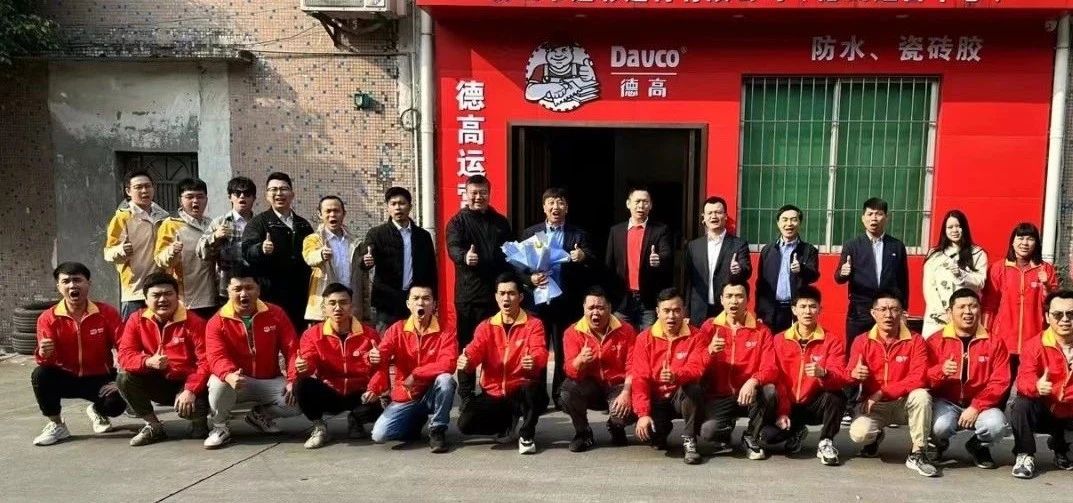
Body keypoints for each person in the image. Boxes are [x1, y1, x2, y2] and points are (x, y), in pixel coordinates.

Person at [202, 266, 301, 449]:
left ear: (258, 290)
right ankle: (220, 427)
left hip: (269, 379)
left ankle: (260, 415)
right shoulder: (216, 321)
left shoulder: (276, 313)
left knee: (298, 397)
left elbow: (292, 349)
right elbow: (216, 356)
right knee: (218, 383)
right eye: (237, 289)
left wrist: (293, 379)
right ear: (228, 291)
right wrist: (229, 374)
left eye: (249, 288)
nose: (243, 294)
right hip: (236, 381)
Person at [31, 262, 126, 446]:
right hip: (66, 377)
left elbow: (125, 347)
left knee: (116, 404)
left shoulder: (106, 313)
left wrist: (121, 380)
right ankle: (57, 425)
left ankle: (98, 410)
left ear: (88, 283)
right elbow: (45, 361)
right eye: (66, 281)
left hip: (99, 377)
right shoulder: (48, 318)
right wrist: (43, 353)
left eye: (77, 280)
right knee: (40, 375)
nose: (72, 285)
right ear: (59, 286)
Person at [518, 187, 595, 410]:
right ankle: (538, 399)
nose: (555, 207)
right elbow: (518, 266)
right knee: (537, 350)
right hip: (538, 303)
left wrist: (583, 256)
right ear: (544, 207)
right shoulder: (531, 233)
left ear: (566, 207)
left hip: (566, 301)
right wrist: (530, 279)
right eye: (551, 202)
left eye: (560, 202)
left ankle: (561, 395)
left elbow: (594, 263)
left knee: (563, 351)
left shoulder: (578, 235)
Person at [846, 291, 938, 477]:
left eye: (894, 309)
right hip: (875, 407)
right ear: (873, 313)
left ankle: (918, 452)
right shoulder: (862, 341)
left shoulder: (916, 340)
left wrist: (882, 392)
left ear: (902, 313)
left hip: (904, 403)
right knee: (859, 434)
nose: (888, 315)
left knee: (921, 395)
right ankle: (875, 436)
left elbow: (918, 378)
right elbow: (848, 375)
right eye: (883, 309)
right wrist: (854, 374)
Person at [456, 273, 548, 455]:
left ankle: (526, 435)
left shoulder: (533, 324)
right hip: (494, 392)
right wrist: (467, 361)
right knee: (465, 424)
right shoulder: (486, 327)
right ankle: (506, 423)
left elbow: (540, 350)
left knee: (532, 389)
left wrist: (534, 360)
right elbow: (474, 350)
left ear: (520, 297)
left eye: (511, 293)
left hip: (521, 390)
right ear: (496, 297)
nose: (506, 298)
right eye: (502, 293)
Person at [116, 273, 211, 446]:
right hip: (156, 380)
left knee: (197, 413)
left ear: (177, 296)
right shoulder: (136, 319)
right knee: (124, 377)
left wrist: (190, 390)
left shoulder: (194, 322)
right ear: (146, 299)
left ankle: (199, 422)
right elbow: (124, 355)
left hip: (186, 383)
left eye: (168, 294)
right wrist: (147, 361)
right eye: (156, 295)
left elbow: (205, 362)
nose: (162, 299)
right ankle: (153, 426)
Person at [445, 175, 513, 403]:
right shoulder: (457, 222)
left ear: (489, 193)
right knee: (468, 346)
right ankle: (466, 395)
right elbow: (453, 247)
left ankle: (492, 391)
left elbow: (510, 255)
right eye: (473, 193)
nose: (478, 197)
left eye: (482, 192)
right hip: (469, 297)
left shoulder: (500, 222)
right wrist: (465, 257)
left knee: (495, 346)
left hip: (496, 298)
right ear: (466, 194)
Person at [925, 288, 1009, 469]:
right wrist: (941, 371)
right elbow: (923, 378)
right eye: (961, 307)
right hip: (946, 402)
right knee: (940, 426)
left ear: (980, 309)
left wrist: (976, 406)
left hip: (981, 404)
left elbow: (1000, 381)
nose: (968, 312)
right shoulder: (935, 341)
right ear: (950, 312)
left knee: (997, 426)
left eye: (973, 306)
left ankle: (978, 446)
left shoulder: (994, 342)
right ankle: (938, 444)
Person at [292, 282, 383, 449]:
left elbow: (381, 369)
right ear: (324, 307)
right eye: (332, 303)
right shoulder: (312, 335)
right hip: (331, 392)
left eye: (343, 302)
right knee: (302, 385)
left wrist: (374, 388)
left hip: (360, 393)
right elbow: (309, 359)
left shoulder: (369, 334)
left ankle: (356, 420)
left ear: (352, 306)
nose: (337, 308)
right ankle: (319, 427)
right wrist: (304, 365)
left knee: (383, 404)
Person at [368, 284, 458, 453]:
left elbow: (449, 363)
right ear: (408, 304)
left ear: (434, 304)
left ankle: (437, 430)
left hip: (432, 393)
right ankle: (414, 422)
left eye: (426, 299)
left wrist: (416, 374)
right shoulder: (397, 329)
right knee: (379, 435)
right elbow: (382, 355)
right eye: (416, 298)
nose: (420, 303)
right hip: (406, 395)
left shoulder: (446, 330)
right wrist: (374, 357)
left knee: (446, 380)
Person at [766, 285, 848, 466]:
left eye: (812, 306)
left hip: (814, 405)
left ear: (820, 310)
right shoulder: (779, 340)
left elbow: (841, 375)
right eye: (802, 306)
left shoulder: (831, 341)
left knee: (837, 395)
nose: (807, 311)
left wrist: (824, 373)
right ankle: (796, 430)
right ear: (794, 310)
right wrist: (783, 411)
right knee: (767, 438)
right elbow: (775, 378)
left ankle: (826, 441)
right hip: (787, 404)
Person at [697, 281, 778, 461]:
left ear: (747, 300)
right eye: (729, 296)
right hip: (719, 396)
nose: (734, 301)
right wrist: (709, 351)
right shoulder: (709, 327)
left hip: (750, 394)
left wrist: (754, 380)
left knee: (770, 390)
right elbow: (695, 365)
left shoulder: (761, 331)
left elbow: (771, 368)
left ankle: (751, 435)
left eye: (739, 296)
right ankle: (726, 428)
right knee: (708, 432)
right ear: (721, 300)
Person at [630, 288, 706, 464]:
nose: (671, 316)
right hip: (656, 398)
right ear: (658, 312)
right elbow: (640, 378)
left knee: (693, 388)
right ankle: (661, 430)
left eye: (676, 310)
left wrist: (676, 376)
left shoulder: (697, 336)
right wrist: (643, 414)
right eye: (666, 311)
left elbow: (697, 368)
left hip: (680, 396)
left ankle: (690, 439)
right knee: (651, 435)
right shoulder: (644, 338)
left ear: (684, 311)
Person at [559, 286, 638, 452]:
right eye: (591, 308)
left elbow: (633, 366)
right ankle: (583, 432)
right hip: (590, 387)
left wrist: (626, 392)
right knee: (567, 392)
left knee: (635, 401)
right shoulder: (572, 333)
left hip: (617, 387)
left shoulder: (626, 330)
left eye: (600, 308)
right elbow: (569, 370)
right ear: (584, 308)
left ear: (609, 308)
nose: (595, 313)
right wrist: (579, 361)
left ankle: (616, 426)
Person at [1008, 289, 1073, 479]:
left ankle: (1062, 447)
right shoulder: (1034, 345)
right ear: (1047, 317)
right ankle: (1024, 454)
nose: (1065, 320)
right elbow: (1023, 380)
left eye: (1071, 314)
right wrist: (1037, 386)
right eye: (1058, 314)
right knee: (1021, 404)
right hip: (1044, 410)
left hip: (1070, 410)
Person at [241, 172, 315, 331]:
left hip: (299, 296)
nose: (279, 193)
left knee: (297, 337)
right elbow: (246, 250)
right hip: (270, 295)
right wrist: (260, 249)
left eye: (284, 189)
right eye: (273, 189)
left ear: (292, 194)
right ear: (267, 195)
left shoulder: (303, 225)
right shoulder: (258, 223)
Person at [983, 222, 1058, 377]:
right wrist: (985, 334)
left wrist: (1046, 286)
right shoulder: (998, 268)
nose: (1025, 243)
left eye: (1030, 238)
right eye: (1021, 238)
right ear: (1012, 241)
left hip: (1034, 341)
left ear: (1036, 243)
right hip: (1003, 340)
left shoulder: (1045, 269)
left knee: (1030, 385)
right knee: (1000, 383)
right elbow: (989, 305)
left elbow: (1053, 305)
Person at [834, 197, 910, 345]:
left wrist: (904, 310)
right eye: (869, 214)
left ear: (886, 217)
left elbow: (903, 281)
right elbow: (838, 278)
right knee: (856, 349)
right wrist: (843, 272)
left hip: (888, 311)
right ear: (863, 218)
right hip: (860, 310)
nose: (874, 218)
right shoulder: (852, 245)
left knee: (888, 349)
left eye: (878, 214)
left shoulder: (896, 246)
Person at [360, 187, 437, 332]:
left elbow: (431, 269)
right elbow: (365, 258)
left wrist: (434, 298)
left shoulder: (423, 236)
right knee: (386, 340)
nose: (398, 208)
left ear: (410, 207)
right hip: (387, 302)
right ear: (388, 208)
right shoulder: (377, 234)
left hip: (416, 300)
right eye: (393, 204)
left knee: (416, 339)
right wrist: (366, 261)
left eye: (402, 203)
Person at [104, 170, 169, 319]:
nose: (144, 191)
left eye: (148, 186)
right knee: (134, 329)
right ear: (128, 191)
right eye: (138, 187)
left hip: (161, 287)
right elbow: (108, 252)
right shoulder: (122, 217)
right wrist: (121, 250)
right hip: (135, 290)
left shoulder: (164, 217)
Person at [606, 188, 673, 331]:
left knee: (647, 339)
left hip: (648, 300)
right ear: (628, 204)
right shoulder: (616, 231)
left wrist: (659, 259)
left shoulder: (660, 230)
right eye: (637, 202)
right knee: (621, 338)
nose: (641, 206)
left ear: (651, 205)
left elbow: (666, 254)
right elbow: (609, 266)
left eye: (645, 202)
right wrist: (609, 297)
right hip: (622, 299)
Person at [155, 178, 218, 320]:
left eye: (200, 197)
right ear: (180, 200)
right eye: (189, 197)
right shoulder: (171, 224)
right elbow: (159, 259)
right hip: (186, 299)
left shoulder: (212, 224)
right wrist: (171, 251)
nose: (195, 201)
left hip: (212, 296)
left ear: (206, 199)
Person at [684, 196, 752, 325]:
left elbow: (747, 270)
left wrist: (738, 270)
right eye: (709, 213)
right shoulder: (694, 246)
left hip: (726, 309)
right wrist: (686, 311)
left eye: (718, 212)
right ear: (704, 217)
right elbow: (689, 281)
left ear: (725, 216)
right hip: (699, 310)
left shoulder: (738, 244)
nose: (713, 216)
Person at [921, 210, 988, 337]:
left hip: (965, 316)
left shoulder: (977, 253)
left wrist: (962, 276)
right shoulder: (934, 255)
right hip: (938, 316)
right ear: (944, 230)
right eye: (950, 227)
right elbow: (929, 287)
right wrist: (942, 312)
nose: (954, 230)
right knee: (935, 346)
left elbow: (981, 282)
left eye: (958, 226)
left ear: (964, 228)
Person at [756, 204, 820, 333]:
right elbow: (761, 283)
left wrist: (801, 269)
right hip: (771, 309)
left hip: (796, 310)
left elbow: (814, 275)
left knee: (793, 342)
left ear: (799, 223)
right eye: (784, 220)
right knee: (771, 342)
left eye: (793, 220)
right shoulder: (768, 250)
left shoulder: (809, 250)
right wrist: (759, 311)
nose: (789, 224)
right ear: (778, 223)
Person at [302, 196, 363, 325]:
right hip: (323, 304)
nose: (332, 215)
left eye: (336, 211)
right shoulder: (313, 239)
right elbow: (309, 257)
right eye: (328, 211)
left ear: (344, 213)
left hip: (349, 305)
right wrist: (320, 255)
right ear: (320, 214)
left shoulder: (355, 241)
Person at [198, 176, 256, 305]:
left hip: (254, 286)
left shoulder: (259, 223)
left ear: (254, 198)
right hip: (226, 287)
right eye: (237, 193)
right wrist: (215, 237)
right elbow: (201, 252)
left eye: (247, 194)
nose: (242, 197)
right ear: (230, 197)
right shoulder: (220, 222)